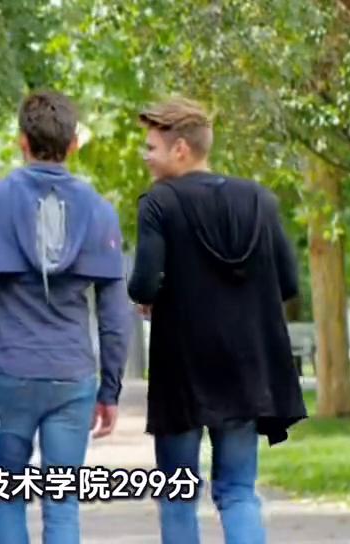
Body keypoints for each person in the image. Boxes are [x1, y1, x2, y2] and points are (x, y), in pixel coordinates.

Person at [0, 90, 132, 544]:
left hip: (10, 374)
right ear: (73, 144)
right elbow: (114, 314)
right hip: (72, 377)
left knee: (6, 497)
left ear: (21, 142)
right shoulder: (101, 211)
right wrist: (110, 390)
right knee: (63, 504)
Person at [128, 97, 307, 544]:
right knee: (238, 490)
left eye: (151, 148)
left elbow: (144, 284)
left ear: (180, 149)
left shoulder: (159, 203)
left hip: (182, 369)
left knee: (177, 493)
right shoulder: (259, 200)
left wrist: (153, 299)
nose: (145, 157)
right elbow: (288, 281)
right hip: (246, 369)